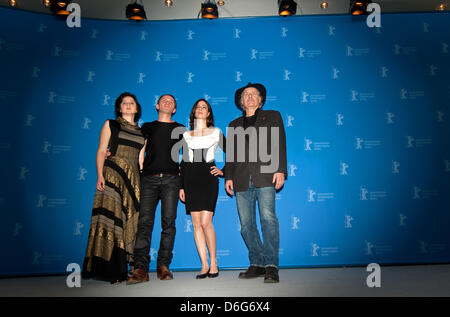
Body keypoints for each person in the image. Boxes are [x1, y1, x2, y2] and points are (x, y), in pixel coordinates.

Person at [225, 82, 287, 283]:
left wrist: (280, 169)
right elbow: (231, 155)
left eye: (254, 94)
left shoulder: (272, 116)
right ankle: (257, 262)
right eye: (246, 94)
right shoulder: (234, 124)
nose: (250, 96)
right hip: (241, 179)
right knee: (246, 224)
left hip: (266, 175)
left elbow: (280, 142)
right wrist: (228, 177)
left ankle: (271, 265)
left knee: (268, 219)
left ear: (261, 100)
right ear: (241, 102)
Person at [82, 92, 145, 284]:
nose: (127, 105)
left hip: (133, 180)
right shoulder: (111, 124)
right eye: (124, 103)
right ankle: (112, 271)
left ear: (136, 108)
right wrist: (100, 175)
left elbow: (141, 161)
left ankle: (128, 268)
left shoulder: (143, 133)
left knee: (128, 221)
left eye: (131, 103)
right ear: (119, 108)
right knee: (111, 221)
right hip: (112, 177)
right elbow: (102, 150)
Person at [126, 94, 186, 285]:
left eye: (172, 101)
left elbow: (185, 156)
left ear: (174, 109)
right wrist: (140, 168)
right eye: (164, 100)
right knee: (144, 223)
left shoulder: (181, 128)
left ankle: (163, 266)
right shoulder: (148, 127)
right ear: (157, 105)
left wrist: (182, 178)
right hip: (148, 180)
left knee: (168, 223)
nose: (168, 102)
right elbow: (140, 149)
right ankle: (140, 268)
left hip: (171, 180)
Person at [179, 99, 225, 279]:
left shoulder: (216, 132)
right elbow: (183, 162)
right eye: (197, 107)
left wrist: (224, 171)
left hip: (208, 177)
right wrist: (181, 186)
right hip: (190, 178)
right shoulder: (186, 135)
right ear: (194, 112)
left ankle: (214, 262)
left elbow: (233, 151)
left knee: (206, 223)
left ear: (208, 114)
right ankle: (204, 265)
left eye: (204, 107)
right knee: (196, 224)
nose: (200, 109)